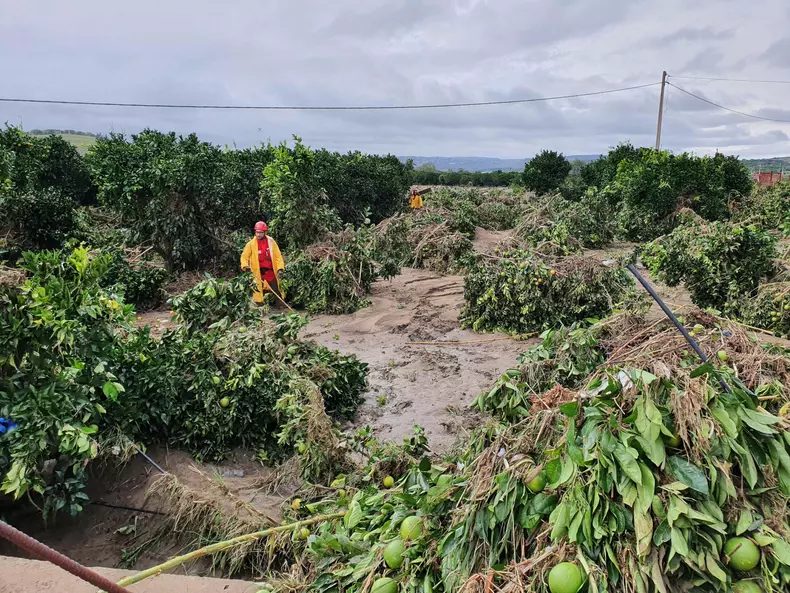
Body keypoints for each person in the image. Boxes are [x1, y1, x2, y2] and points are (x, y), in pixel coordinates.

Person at [240, 221, 285, 304]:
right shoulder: (250, 244)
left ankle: (281, 306)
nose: (258, 234)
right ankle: (259, 309)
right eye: (257, 232)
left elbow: (278, 256)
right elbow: (244, 256)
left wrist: (280, 269)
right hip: (257, 272)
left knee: (276, 289)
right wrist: (245, 266)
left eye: (260, 232)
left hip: (270, 271)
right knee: (257, 291)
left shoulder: (271, 242)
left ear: (265, 232)